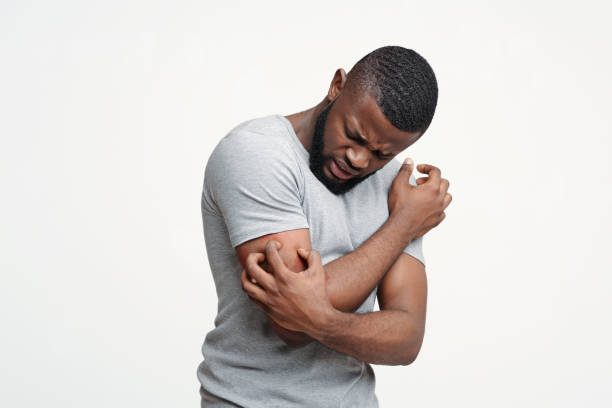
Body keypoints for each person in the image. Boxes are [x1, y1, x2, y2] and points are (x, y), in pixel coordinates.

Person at [198, 45, 451, 407]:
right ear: (337, 86)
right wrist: (402, 226)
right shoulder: (257, 154)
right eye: (354, 134)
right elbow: (289, 323)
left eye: (383, 154)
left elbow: (407, 338)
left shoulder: (398, 189)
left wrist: (323, 322)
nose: (358, 159)